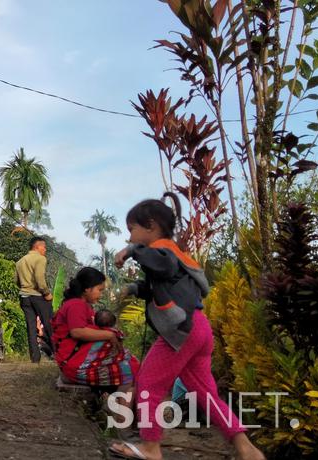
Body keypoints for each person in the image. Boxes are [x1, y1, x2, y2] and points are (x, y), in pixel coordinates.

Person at [108, 194, 264, 460]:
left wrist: (132, 252)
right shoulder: (179, 255)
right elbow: (165, 283)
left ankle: (150, 447)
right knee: (206, 393)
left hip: (181, 331)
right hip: (199, 329)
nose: (130, 237)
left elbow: (162, 265)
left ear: (151, 225)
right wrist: (134, 288)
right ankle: (246, 447)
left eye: (132, 230)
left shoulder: (164, 251)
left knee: (148, 383)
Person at [51, 267, 138, 393]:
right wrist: (109, 335)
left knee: (130, 365)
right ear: (87, 289)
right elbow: (77, 332)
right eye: (99, 290)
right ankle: (121, 411)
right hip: (74, 367)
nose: (101, 294)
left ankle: (119, 408)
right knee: (130, 373)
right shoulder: (76, 305)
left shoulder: (82, 305)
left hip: (75, 363)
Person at [15, 236, 54, 362]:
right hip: (38, 296)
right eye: (44, 247)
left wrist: (25, 288)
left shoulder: (20, 261)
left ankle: (35, 358)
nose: (45, 250)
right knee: (49, 325)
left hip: (24, 297)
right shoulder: (40, 258)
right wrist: (46, 293)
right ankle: (57, 354)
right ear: (37, 247)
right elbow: (40, 279)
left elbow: (16, 281)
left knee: (31, 328)